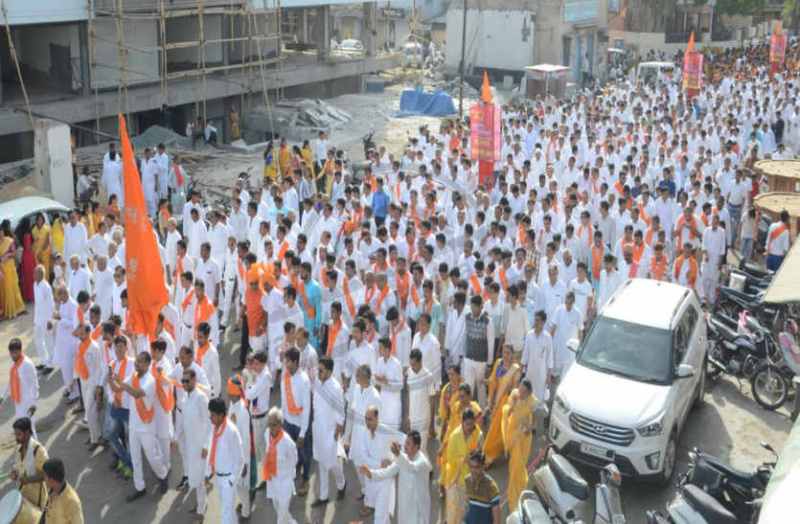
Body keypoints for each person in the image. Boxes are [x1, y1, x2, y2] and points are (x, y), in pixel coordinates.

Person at [109, 351, 169, 501]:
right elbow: (118, 389)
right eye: (136, 362)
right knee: (135, 458)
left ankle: (163, 475)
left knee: (152, 456)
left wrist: (121, 383)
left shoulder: (151, 380)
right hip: (134, 425)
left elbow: (136, 394)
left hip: (147, 426)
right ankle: (139, 487)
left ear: (148, 364)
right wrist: (111, 380)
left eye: (141, 362)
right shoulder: (134, 377)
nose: (137, 364)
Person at [361, 430, 432, 524]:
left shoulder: (422, 462)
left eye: (408, 443)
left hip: (418, 507)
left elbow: (411, 467)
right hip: (405, 505)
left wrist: (398, 454)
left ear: (416, 447)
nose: (405, 446)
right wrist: (370, 473)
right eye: (405, 442)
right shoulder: (403, 458)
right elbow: (387, 472)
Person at [311, 357, 346, 507]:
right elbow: (315, 402)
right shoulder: (318, 382)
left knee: (331, 462)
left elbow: (340, 413)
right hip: (318, 429)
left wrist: (337, 432)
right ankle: (324, 496)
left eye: (321, 370)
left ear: (330, 372)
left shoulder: (336, 388)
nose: (318, 372)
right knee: (321, 462)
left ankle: (342, 483)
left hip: (330, 431)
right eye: (318, 369)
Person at [176, 366, 211, 517]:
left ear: (194, 380)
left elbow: (209, 423)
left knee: (200, 479)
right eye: (182, 381)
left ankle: (201, 511)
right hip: (190, 445)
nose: (184, 384)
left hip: (200, 445)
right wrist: (177, 437)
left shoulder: (201, 398)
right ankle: (201, 503)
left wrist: (205, 446)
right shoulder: (185, 397)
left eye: (187, 381)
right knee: (195, 478)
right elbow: (183, 421)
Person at [355, 406, 396, 522]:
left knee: (380, 515)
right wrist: (379, 464)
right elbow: (363, 457)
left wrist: (391, 461)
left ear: (377, 418)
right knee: (382, 516)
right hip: (371, 478)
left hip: (384, 479)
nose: (367, 422)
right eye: (366, 419)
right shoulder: (364, 433)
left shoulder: (386, 431)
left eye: (370, 419)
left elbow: (396, 452)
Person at [279, 346, 312, 494]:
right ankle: (294, 472)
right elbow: (284, 400)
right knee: (291, 451)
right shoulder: (285, 376)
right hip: (287, 422)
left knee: (305, 454)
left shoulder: (304, 380)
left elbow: (306, 409)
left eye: (287, 361)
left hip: (300, 425)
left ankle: (305, 479)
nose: (285, 364)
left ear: (295, 362)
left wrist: (303, 433)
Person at [502, 379, 538, 510]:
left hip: (524, 437)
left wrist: (530, 428)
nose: (521, 393)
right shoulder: (514, 394)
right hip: (513, 432)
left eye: (524, 392)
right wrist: (513, 404)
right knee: (514, 462)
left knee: (519, 463)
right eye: (520, 389)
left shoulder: (533, 402)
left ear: (529, 393)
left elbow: (535, 422)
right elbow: (507, 412)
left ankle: (515, 490)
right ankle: (513, 488)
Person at [482, 344, 521, 466]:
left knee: (496, 430)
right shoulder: (498, 363)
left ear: (512, 355)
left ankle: (489, 455)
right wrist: (489, 385)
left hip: (505, 403)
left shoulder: (515, 369)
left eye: (508, 353)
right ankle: (505, 449)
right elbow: (493, 380)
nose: (505, 355)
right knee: (496, 430)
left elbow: (515, 390)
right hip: (494, 400)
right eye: (504, 352)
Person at [207, 397, 244, 524]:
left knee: (225, 513)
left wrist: (231, 480)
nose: (210, 417)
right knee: (228, 510)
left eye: (212, 415)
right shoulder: (215, 427)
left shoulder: (231, 431)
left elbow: (240, 459)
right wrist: (208, 473)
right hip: (218, 476)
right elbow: (212, 449)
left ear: (221, 415)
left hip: (228, 479)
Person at [443, 408, 483, 524]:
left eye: (472, 424)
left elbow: (480, 453)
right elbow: (450, 459)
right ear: (462, 422)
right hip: (454, 480)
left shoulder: (477, 434)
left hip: (470, 479)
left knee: (465, 513)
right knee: (452, 514)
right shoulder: (454, 436)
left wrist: (475, 456)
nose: (470, 427)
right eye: (467, 424)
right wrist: (464, 460)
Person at [263, 406, 298, 524]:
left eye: (273, 424)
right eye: (269, 424)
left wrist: (289, 477)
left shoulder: (288, 443)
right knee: (278, 509)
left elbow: (294, 460)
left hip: (284, 483)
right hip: (272, 480)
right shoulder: (267, 434)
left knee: (281, 517)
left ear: (280, 424)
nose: (271, 427)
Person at [226, 376, 253, 519]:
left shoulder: (242, 411)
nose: (227, 393)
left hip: (241, 457)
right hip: (232, 454)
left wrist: (245, 464)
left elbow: (246, 440)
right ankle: (243, 505)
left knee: (242, 488)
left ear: (234, 392)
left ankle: (246, 513)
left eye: (229, 390)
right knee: (237, 486)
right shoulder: (233, 405)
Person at [1, 338, 39, 432]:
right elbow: (11, 382)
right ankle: (27, 446)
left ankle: (35, 446)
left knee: (29, 429)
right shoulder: (14, 365)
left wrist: (33, 404)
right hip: (18, 402)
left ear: (20, 350)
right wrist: (2, 397)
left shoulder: (27, 364)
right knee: (22, 429)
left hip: (27, 402)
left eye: (15, 352)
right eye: (11, 353)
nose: (13, 355)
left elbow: (35, 384)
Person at [11, 417, 49, 511]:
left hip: (37, 498)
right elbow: (17, 466)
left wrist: (28, 480)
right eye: (15, 434)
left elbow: (47, 475)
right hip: (23, 495)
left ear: (27, 432)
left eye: (19, 434)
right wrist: (14, 473)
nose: (16, 438)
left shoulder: (39, 451)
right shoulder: (18, 447)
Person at [41, 458, 84, 524]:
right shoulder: (51, 490)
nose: (44, 479)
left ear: (51, 480)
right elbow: (46, 513)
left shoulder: (72, 502)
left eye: (45, 476)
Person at [463, 451, 501, 524]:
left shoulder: (491, 486)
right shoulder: (467, 480)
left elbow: (496, 514)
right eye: (471, 467)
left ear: (483, 466)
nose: (473, 470)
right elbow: (468, 505)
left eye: (476, 467)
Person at [0, 219, 25, 318]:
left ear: (3, 232)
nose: (0, 234)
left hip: (10, 267)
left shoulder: (9, 241)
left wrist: (7, 256)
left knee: (12, 287)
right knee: (4, 289)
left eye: (1, 232)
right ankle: (5, 311)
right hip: (1, 269)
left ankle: (16, 309)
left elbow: (14, 253)